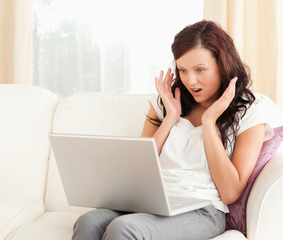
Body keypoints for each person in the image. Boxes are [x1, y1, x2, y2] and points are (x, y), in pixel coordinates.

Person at [72, 20, 273, 240]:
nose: (190, 80)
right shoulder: (165, 103)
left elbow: (230, 192)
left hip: (203, 209)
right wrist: (169, 119)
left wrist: (209, 123)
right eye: (182, 70)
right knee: (88, 221)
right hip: (152, 201)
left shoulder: (252, 109)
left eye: (200, 70)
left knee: (124, 228)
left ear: (223, 65)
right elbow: (137, 169)